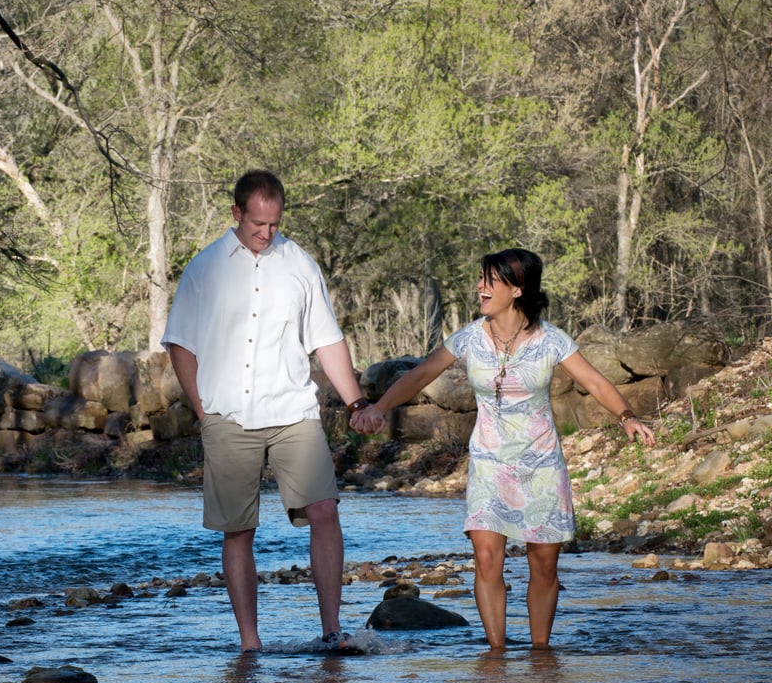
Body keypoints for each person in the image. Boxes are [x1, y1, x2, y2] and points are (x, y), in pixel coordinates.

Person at [350, 248, 655, 650]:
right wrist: (379, 407)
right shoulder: (469, 337)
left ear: (517, 289)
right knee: (488, 559)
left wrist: (626, 415)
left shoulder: (551, 340)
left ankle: (540, 652)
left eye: (490, 280)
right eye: (481, 278)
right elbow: (421, 374)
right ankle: (495, 654)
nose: (481, 287)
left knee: (544, 566)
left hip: (541, 464)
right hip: (489, 463)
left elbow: (596, 383)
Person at [162, 169, 373, 655]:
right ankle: (251, 644)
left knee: (324, 510)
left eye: (275, 224)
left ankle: (332, 630)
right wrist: (202, 409)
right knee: (240, 530)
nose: (266, 232)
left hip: (293, 409)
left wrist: (356, 400)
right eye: (257, 223)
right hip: (228, 415)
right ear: (236, 213)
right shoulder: (204, 269)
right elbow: (180, 344)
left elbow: (327, 340)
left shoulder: (300, 265)